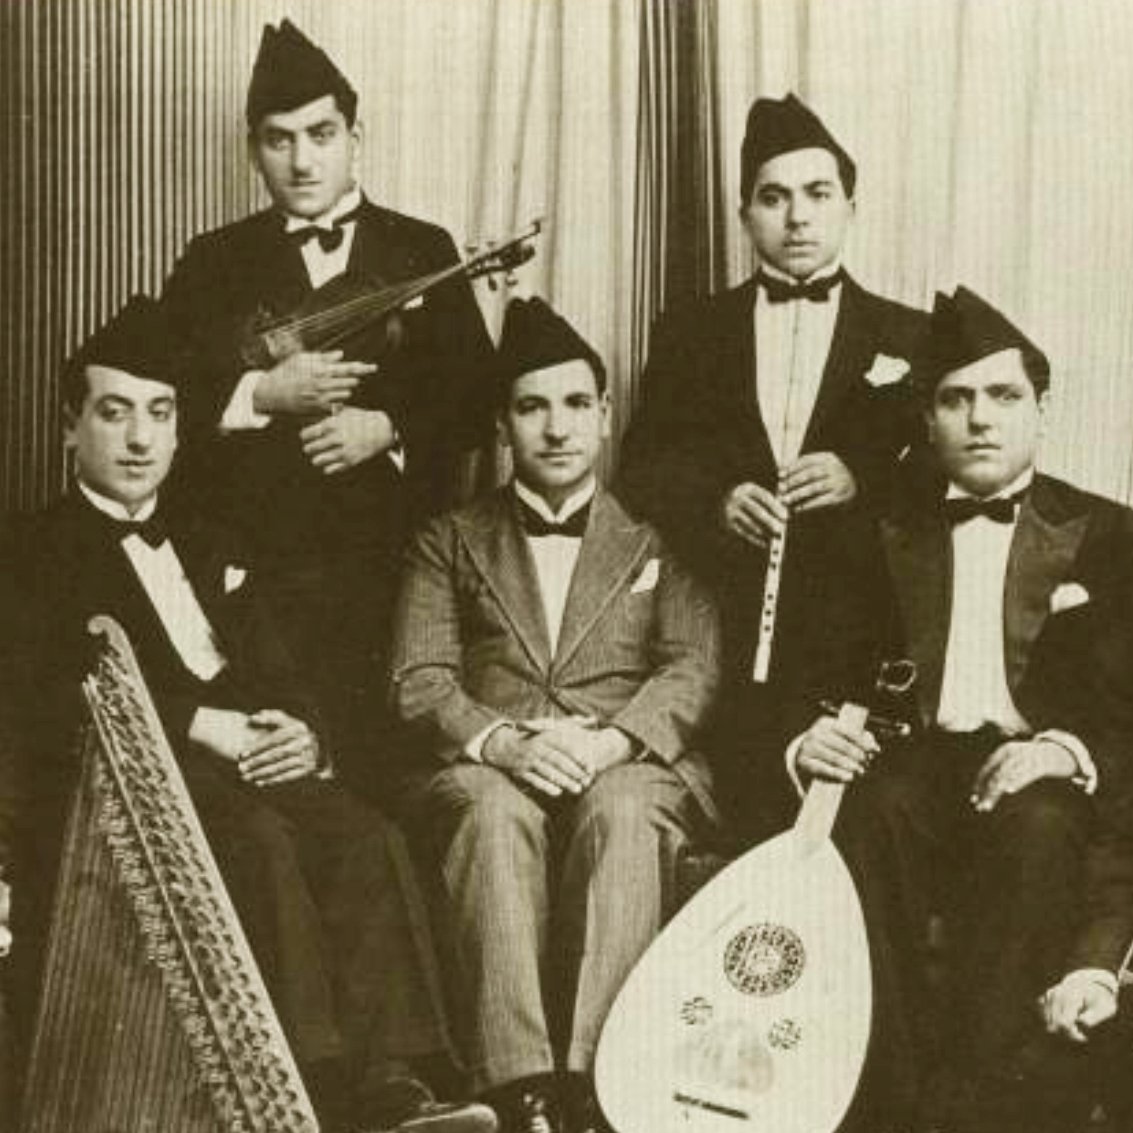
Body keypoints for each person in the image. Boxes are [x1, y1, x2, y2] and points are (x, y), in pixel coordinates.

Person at [0, 298, 496, 1133]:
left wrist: (304, 733)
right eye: (113, 412)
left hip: (244, 759)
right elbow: (41, 690)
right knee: (257, 838)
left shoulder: (207, 535)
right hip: (123, 785)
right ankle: (309, 1089)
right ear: (69, 428)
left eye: (158, 414)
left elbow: (274, 659)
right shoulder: (30, 550)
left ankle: (392, 1086)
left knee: (360, 832)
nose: (138, 439)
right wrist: (199, 724)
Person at [786, 287, 1133, 1132]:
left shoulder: (1111, 535)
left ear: (1040, 411)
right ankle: (890, 1105)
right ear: (927, 419)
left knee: (1041, 824)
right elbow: (809, 677)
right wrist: (809, 738)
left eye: (1003, 395)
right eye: (955, 398)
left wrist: (1064, 750)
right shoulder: (871, 535)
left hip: (1041, 768)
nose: (980, 419)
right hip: (910, 761)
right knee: (873, 811)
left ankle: (978, 1102)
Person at [391, 298, 722, 1133]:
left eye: (576, 404)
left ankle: (600, 1082)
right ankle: (521, 1088)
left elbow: (693, 665)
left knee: (622, 810)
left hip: (629, 758)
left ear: (605, 416)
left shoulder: (656, 537)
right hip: (492, 762)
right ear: (503, 425)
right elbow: (419, 677)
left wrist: (612, 741)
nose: (556, 427)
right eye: (532, 407)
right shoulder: (449, 537)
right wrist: (502, 743)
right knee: (491, 815)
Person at [162, 19, 495, 799]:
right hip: (256, 584)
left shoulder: (420, 246)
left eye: (321, 133)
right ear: (253, 151)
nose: (302, 159)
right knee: (276, 783)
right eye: (279, 140)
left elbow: (479, 396)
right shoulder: (213, 262)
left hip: (394, 571)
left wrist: (387, 425)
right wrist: (260, 395)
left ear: (356, 136)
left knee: (384, 786)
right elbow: (163, 395)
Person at [616, 93, 927, 832]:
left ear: (850, 205)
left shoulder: (909, 335)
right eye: (774, 197)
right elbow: (642, 465)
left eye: (817, 194)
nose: (797, 217)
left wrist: (861, 478)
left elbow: (943, 480)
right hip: (724, 626)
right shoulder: (691, 330)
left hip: (861, 634)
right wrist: (715, 500)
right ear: (744, 213)